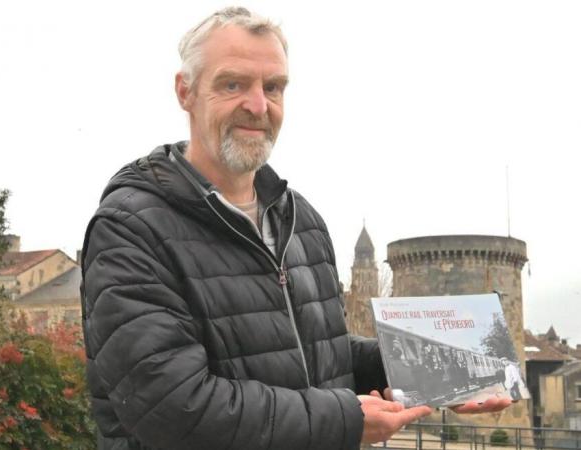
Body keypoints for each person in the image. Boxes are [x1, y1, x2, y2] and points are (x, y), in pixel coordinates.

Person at [80, 7, 510, 450]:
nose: (258, 105)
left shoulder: (300, 219)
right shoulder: (130, 230)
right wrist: (343, 419)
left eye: (273, 87)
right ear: (185, 91)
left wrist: (442, 374)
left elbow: (322, 353)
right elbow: (174, 409)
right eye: (233, 84)